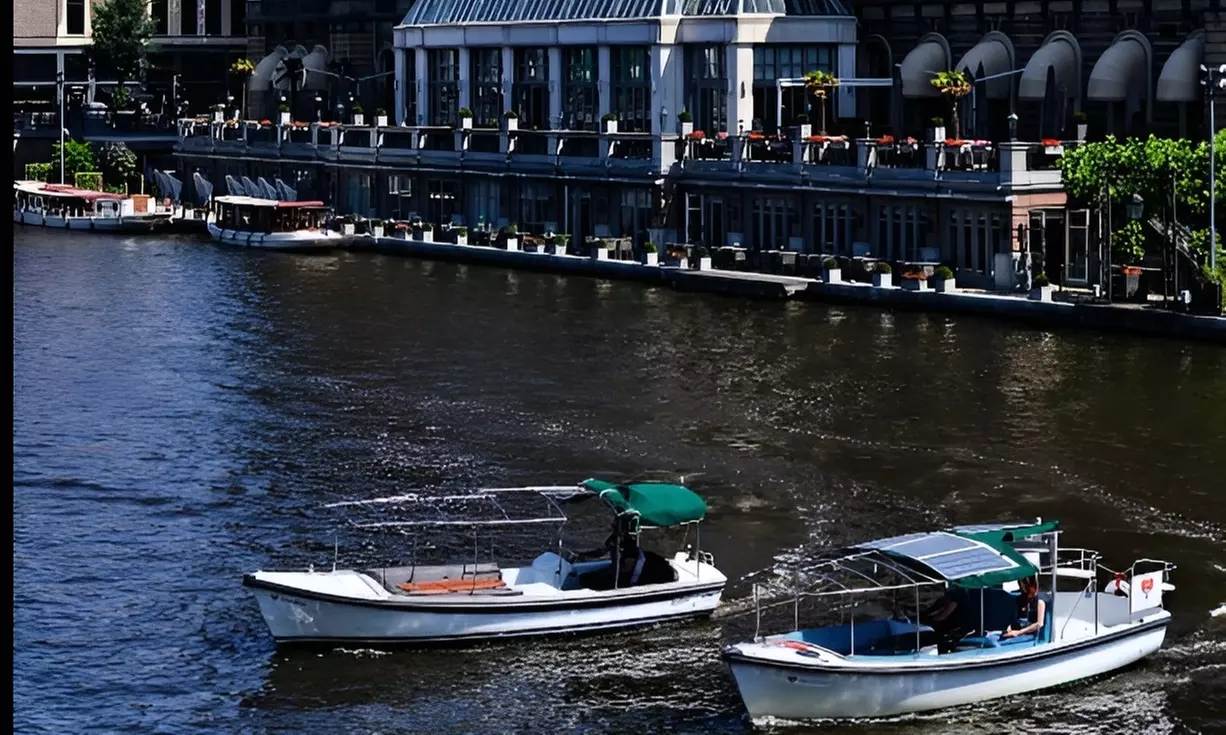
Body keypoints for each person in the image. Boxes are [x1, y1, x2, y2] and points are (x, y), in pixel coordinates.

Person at [1001, 576, 1046, 640]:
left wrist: (1019, 632)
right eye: (1021, 583)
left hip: (1030, 635)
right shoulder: (1018, 600)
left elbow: (1039, 624)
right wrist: (1009, 629)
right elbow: (1013, 620)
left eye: (1024, 584)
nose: (1022, 587)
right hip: (1017, 633)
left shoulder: (1040, 602)